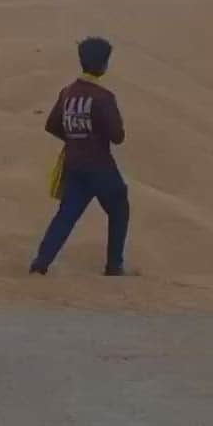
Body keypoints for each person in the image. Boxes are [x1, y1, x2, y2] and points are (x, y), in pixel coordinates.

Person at [30, 36, 130, 277]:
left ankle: (40, 263)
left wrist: (75, 138)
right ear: (104, 64)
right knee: (119, 209)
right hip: (101, 166)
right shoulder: (104, 97)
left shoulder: (67, 92)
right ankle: (114, 266)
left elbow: (51, 125)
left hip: (74, 165)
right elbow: (117, 136)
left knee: (66, 214)